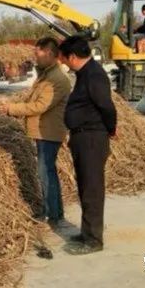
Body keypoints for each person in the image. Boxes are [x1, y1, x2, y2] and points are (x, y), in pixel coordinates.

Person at [0, 37, 71, 227]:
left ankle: (53, 215)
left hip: (48, 133)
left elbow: (39, 105)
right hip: (41, 132)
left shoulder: (57, 80)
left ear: (49, 53)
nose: (34, 57)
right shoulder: (46, 75)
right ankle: (52, 212)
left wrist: (11, 109)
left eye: (37, 53)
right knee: (46, 173)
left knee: (46, 173)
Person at [58, 35, 117, 255]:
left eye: (64, 58)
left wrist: (111, 129)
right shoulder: (85, 73)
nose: (63, 62)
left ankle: (93, 240)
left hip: (92, 138)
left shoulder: (94, 76)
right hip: (83, 137)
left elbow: (107, 107)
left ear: (72, 57)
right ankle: (86, 232)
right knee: (85, 186)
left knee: (92, 189)